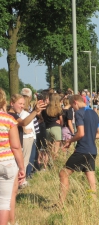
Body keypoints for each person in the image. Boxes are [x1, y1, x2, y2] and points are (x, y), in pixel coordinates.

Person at [58, 95, 99, 206]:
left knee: (63, 173)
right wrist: (88, 136)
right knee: (90, 178)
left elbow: (81, 133)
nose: (72, 109)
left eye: (72, 106)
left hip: (82, 150)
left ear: (75, 102)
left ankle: (60, 204)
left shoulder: (79, 113)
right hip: (92, 150)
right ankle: (94, 204)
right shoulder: (94, 113)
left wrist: (70, 140)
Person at [0, 88, 25, 225]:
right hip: (7, 163)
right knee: (4, 201)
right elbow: (16, 146)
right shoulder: (9, 119)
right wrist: (22, 167)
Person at [41, 93, 63, 161]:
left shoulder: (45, 109)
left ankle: (46, 165)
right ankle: (53, 164)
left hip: (47, 129)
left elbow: (43, 119)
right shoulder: (59, 109)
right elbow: (61, 121)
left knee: (49, 150)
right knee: (55, 150)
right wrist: (60, 123)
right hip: (56, 128)